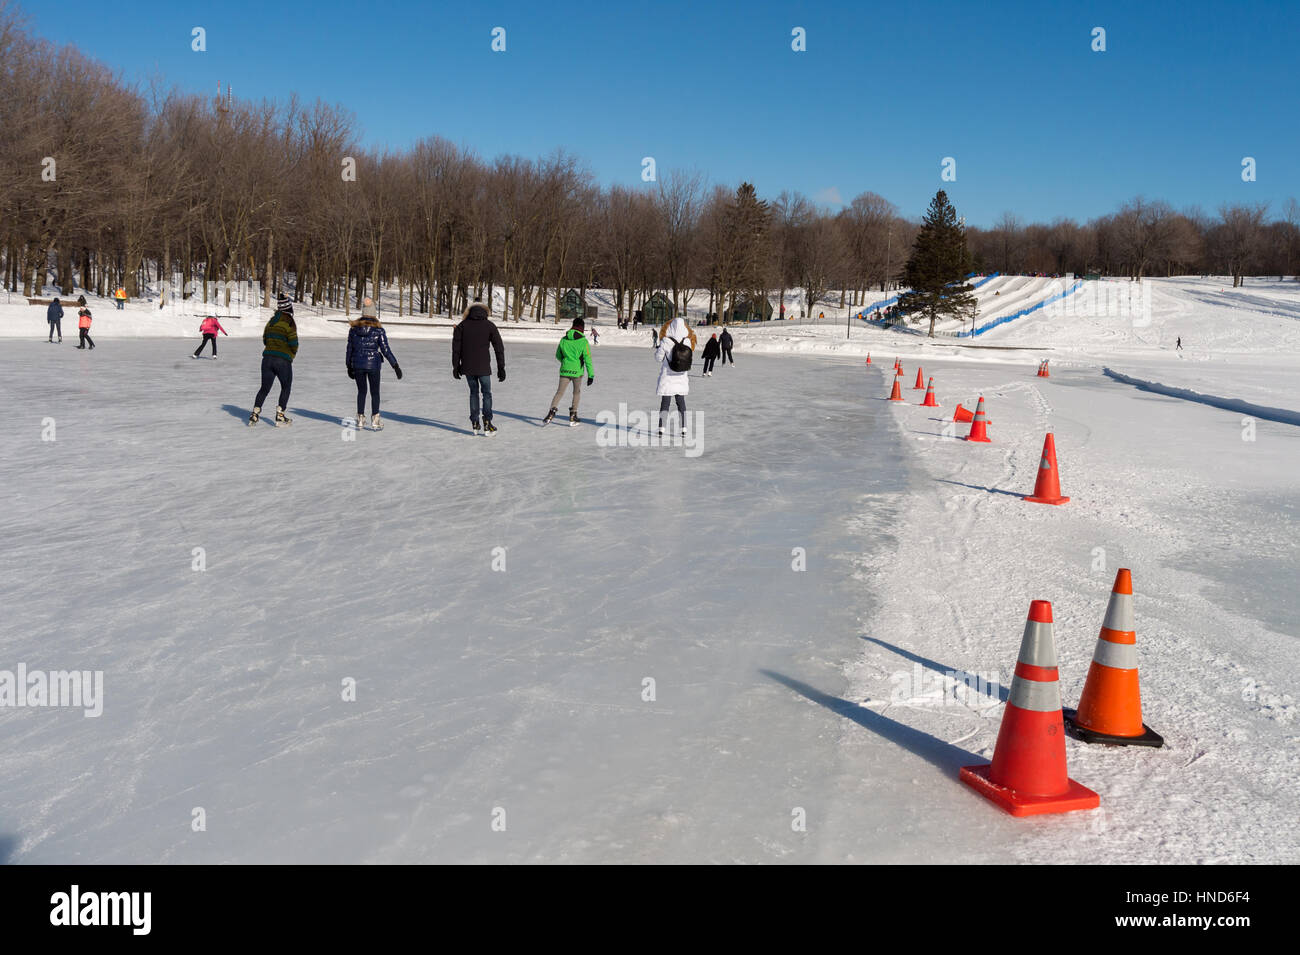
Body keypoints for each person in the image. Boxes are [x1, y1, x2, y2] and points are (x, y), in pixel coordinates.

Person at [346, 298, 402, 431]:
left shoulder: (354, 330)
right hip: (374, 366)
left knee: (361, 391)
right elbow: (385, 350)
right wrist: (395, 366)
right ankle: (375, 420)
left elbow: (349, 349)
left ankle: (360, 419)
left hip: (358, 365)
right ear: (374, 313)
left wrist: (349, 365)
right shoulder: (379, 331)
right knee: (375, 392)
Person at [451, 297, 505, 435]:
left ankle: (475, 422)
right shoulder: (489, 325)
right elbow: (499, 347)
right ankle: (487, 422)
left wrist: (455, 366)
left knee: (473, 393)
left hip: (468, 368)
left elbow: (456, 349)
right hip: (483, 368)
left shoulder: (462, 326)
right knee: (486, 394)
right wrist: (501, 367)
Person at [248, 294, 298, 427]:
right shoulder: (289, 323)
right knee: (286, 387)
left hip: (267, 359)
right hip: (282, 361)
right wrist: (290, 355)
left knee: (264, 388)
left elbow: (265, 339)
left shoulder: (271, 322)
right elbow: (294, 343)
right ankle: (280, 416)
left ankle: (255, 413)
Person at [543, 317, 593, 427]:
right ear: (582, 328)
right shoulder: (583, 341)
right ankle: (573, 415)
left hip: (564, 370)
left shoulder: (564, 339)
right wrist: (591, 375)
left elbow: (558, 355)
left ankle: (552, 411)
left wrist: (566, 362)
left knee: (559, 392)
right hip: (577, 372)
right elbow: (587, 358)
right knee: (576, 393)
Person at [655, 313, 696, 436]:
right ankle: (684, 428)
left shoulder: (666, 341)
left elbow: (658, 358)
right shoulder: (687, 342)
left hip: (667, 377)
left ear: (671, 327)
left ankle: (661, 428)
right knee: (681, 403)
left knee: (665, 403)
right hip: (681, 377)